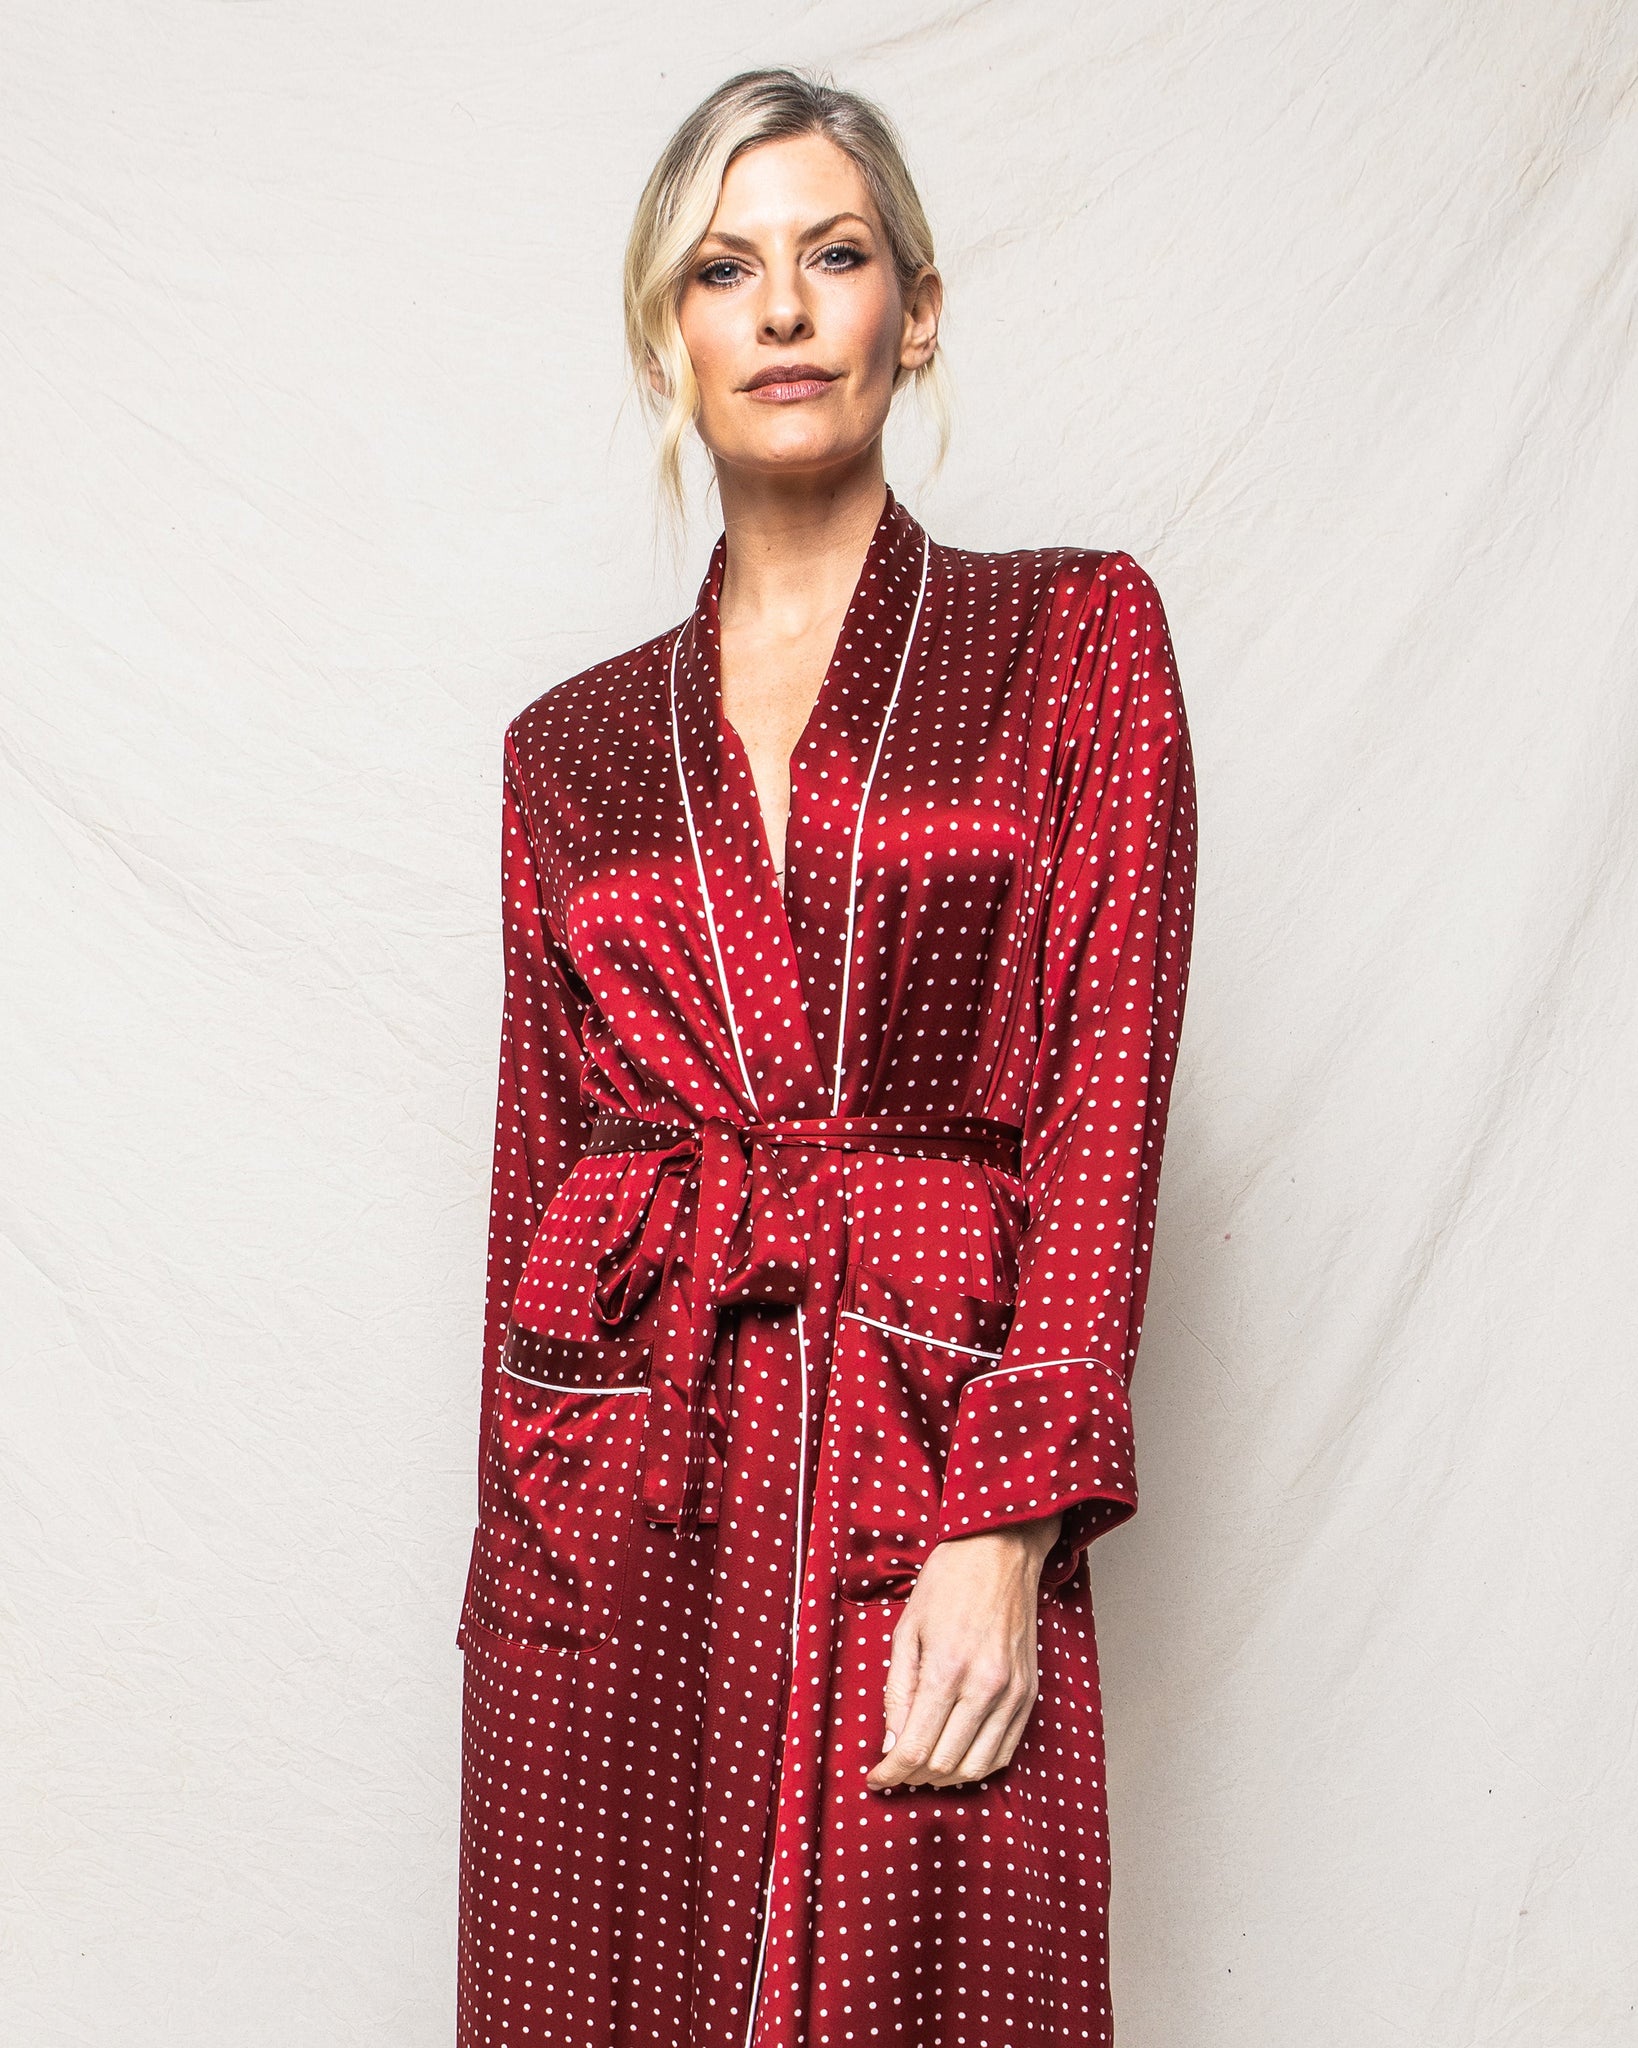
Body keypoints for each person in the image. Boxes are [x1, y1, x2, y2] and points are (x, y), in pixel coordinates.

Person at [455, 66, 1197, 2048]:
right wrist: (523, 1578)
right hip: (623, 1480)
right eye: (724, 267)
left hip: (928, 1441)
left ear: (917, 312)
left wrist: (1008, 1520)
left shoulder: (1075, 641)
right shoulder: (573, 752)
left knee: (928, 1982)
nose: (781, 307)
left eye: (834, 255)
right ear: (667, 338)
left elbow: (1106, 1095)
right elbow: (542, 1172)